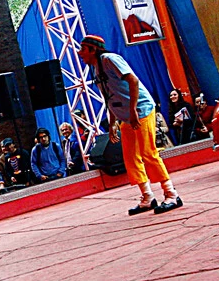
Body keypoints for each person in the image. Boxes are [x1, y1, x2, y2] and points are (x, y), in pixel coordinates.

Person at [78, 35, 183, 214]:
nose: (80, 53)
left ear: (93, 49)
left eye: (83, 49)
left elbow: (133, 81)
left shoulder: (110, 59)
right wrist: (112, 123)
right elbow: (109, 97)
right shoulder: (95, 68)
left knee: (148, 153)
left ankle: (171, 194)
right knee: (130, 157)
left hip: (140, 110)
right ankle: (147, 197)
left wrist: (133, 110)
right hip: (126, 116)